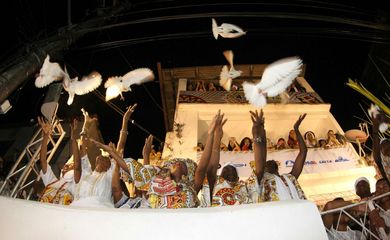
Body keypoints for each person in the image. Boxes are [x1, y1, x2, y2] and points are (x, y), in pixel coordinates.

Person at [106, 110, 221, 209]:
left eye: (184, 166)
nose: (178, 163)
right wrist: (143, 156)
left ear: (187, 175)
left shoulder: (191, 188)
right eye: (175, 162)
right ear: (168, 169)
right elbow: (138, 174)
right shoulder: (156, 183)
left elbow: (201, 169)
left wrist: (212, 135)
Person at [69, 109, 119, 208]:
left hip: (99, 213)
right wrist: (85, 125)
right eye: (101, 156)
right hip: (76, 211)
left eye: (105, 158)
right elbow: (82, 149)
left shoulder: (109, 176)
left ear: (108, 166)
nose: (101, 156)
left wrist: (112, 153)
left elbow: (119, 156)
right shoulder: (87, 173)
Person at [37, 116, 87, 205]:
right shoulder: (52, 181)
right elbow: (43, 160)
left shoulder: (75, 186)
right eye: (65, 166)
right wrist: (46, 136)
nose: (65, 166)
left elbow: (78, 167)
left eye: (69, 166)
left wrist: (73, 138)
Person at [258, 114, 308, 202]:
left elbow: (303, 152)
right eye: (267, 163)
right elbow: (260, 151)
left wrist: (296, 129)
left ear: (277, 168)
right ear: (264, 169)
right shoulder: (261, 181)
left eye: (272, 161)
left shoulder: (290, 177)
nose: (271, 161)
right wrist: (260, 132)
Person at [371, 110, 390, 184]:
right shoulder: (384, 165)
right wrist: (375, 128)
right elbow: (377, 157)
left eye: (388, 143)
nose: (387, 146)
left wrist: (386, 120)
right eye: (383, 145)